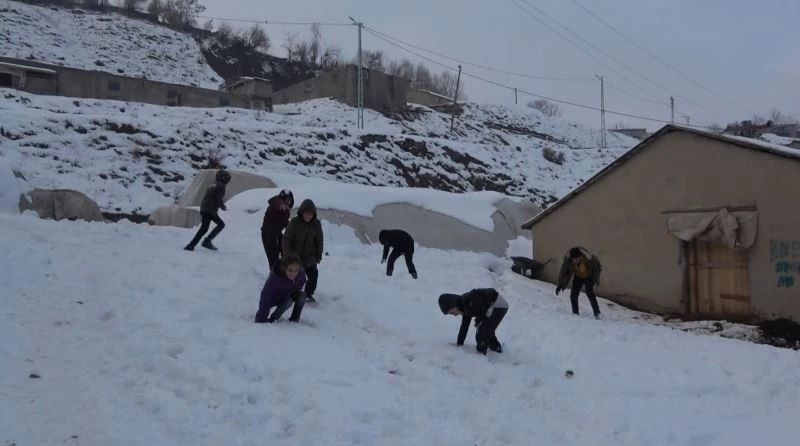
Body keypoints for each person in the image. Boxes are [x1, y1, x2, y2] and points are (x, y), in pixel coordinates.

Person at [438, 288, 508, 355]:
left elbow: (482, 313)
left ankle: (481, 355)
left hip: (498, 305)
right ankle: (496, 349)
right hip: (492, 307)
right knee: (486, 330)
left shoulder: (469, 301)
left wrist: (478, 323)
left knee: (482, 330)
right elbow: (464, 326)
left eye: (450, 312)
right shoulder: (464, 306)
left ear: (452, 305)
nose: (452, 314)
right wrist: (459, 343)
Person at [283, 199, 323, 304]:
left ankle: (308, 294)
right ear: (302, 212)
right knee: (293, 276)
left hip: (309, 257)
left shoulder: (316, 224)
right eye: (306, 213)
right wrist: (288, 255)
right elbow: (287, 239)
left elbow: (319, 240)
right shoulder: (295, 222)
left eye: (310, 214)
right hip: (295, 257)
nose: (308, 216)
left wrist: (318, 256)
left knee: (313, 275)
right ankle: (288, 294)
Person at [184, 169, 230, 251]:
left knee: (204, 228)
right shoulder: (221, 186)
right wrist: (222, 206)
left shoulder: (214, 184)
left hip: (205, 207)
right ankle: (205, 242)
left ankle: (192, 245)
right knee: (220, 225)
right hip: (210, 209)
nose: (227, 179)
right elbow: (218, 197)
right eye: (226, 177)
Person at [254, 253, 307, 323]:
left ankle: (294, 319)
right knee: (289, 301)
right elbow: (265, 297)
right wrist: (261, 318)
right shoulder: (275, 279)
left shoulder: (300, 276)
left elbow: (301, 283)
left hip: (288, 293)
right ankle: (273, 319)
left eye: (296, 270)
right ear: (284, 268)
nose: (293, 273)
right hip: (276, 298)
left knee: (302, 296)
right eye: (290, 270)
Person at [555, 247, 603, 318]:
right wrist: (560, 284)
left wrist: (594, 279)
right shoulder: (568, 261)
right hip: (578, 277)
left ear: (581, 256)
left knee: (590, 293)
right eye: (574, 259)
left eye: (577, 259)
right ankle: (575, 313)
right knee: (573, 295)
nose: (575, 261)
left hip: (588, 277)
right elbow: (563, 272)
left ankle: (597, 313)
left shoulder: (589, 259)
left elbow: (598, 268)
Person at [261, 189, 294, 269]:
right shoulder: (277, 203)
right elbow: (277, 203)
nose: (289, 202)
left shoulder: (285, 210)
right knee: (273, 258)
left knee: (285, 251)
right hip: (268, 235)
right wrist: (281, 204)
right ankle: (273, 277)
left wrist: (293, 229)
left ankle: (283, 271)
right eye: (287, 199)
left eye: (290, 200)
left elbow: (284, 222)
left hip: (276, 234)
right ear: (283, 198)